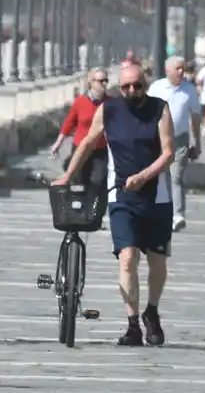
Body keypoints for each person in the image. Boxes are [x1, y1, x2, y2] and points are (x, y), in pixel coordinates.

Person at [56, 61, 175, 347]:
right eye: (125, 86)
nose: (132, 90)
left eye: (137, 85)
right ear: (118, 87)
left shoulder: (160, 108)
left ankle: (152, 312)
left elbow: (169, 153)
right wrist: (67, 176)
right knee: (127, 257)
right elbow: (85, 144)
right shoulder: (108, 110)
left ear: (145, 84)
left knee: (157, 261)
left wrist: (144, 176)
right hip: (121, 195)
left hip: (157, 195)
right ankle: (133, 323)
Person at [148, 56, 203, 233]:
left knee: (176, 176)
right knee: (157, 176)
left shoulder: (189, 90)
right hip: (157, 139)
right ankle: (156, 212)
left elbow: (195, 117)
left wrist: (197, 141)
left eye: (183, 68)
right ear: (168, 70)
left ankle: (177, 215)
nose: (181, 72)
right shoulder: (157, 87)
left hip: (179, 140)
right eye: (177, 68)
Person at [51, 69, 111, 189]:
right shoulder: (80, 101)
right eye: (101, 81)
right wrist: (58, 143)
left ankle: (95, 206)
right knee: (79, 181)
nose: (104, 83)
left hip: (100, 150)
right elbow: (69, 123)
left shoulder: (111, 103)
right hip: (80, 148)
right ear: (91, 83)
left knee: (98, 181)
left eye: (106, 80)